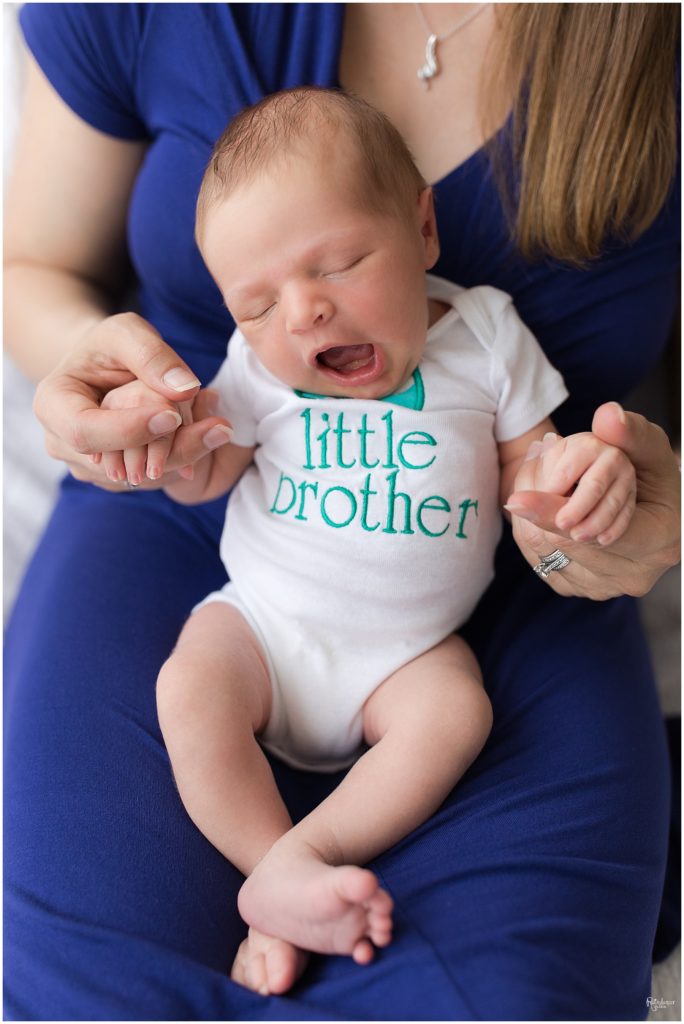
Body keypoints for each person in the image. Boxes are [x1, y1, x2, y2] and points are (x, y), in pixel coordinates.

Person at [4, 5, 679, 1020]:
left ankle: (310, 856)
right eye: (258, 302)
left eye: (337, 267)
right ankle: (273, 864)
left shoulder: (486, 336)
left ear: (421, 227)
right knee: (191, 687)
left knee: (455, 715)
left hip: (427, 635)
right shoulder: (256, 368)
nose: (303, 315)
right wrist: (153, 434)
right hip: (262, 611)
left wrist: (585, 483)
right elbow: (206, 459)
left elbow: (530, 459)